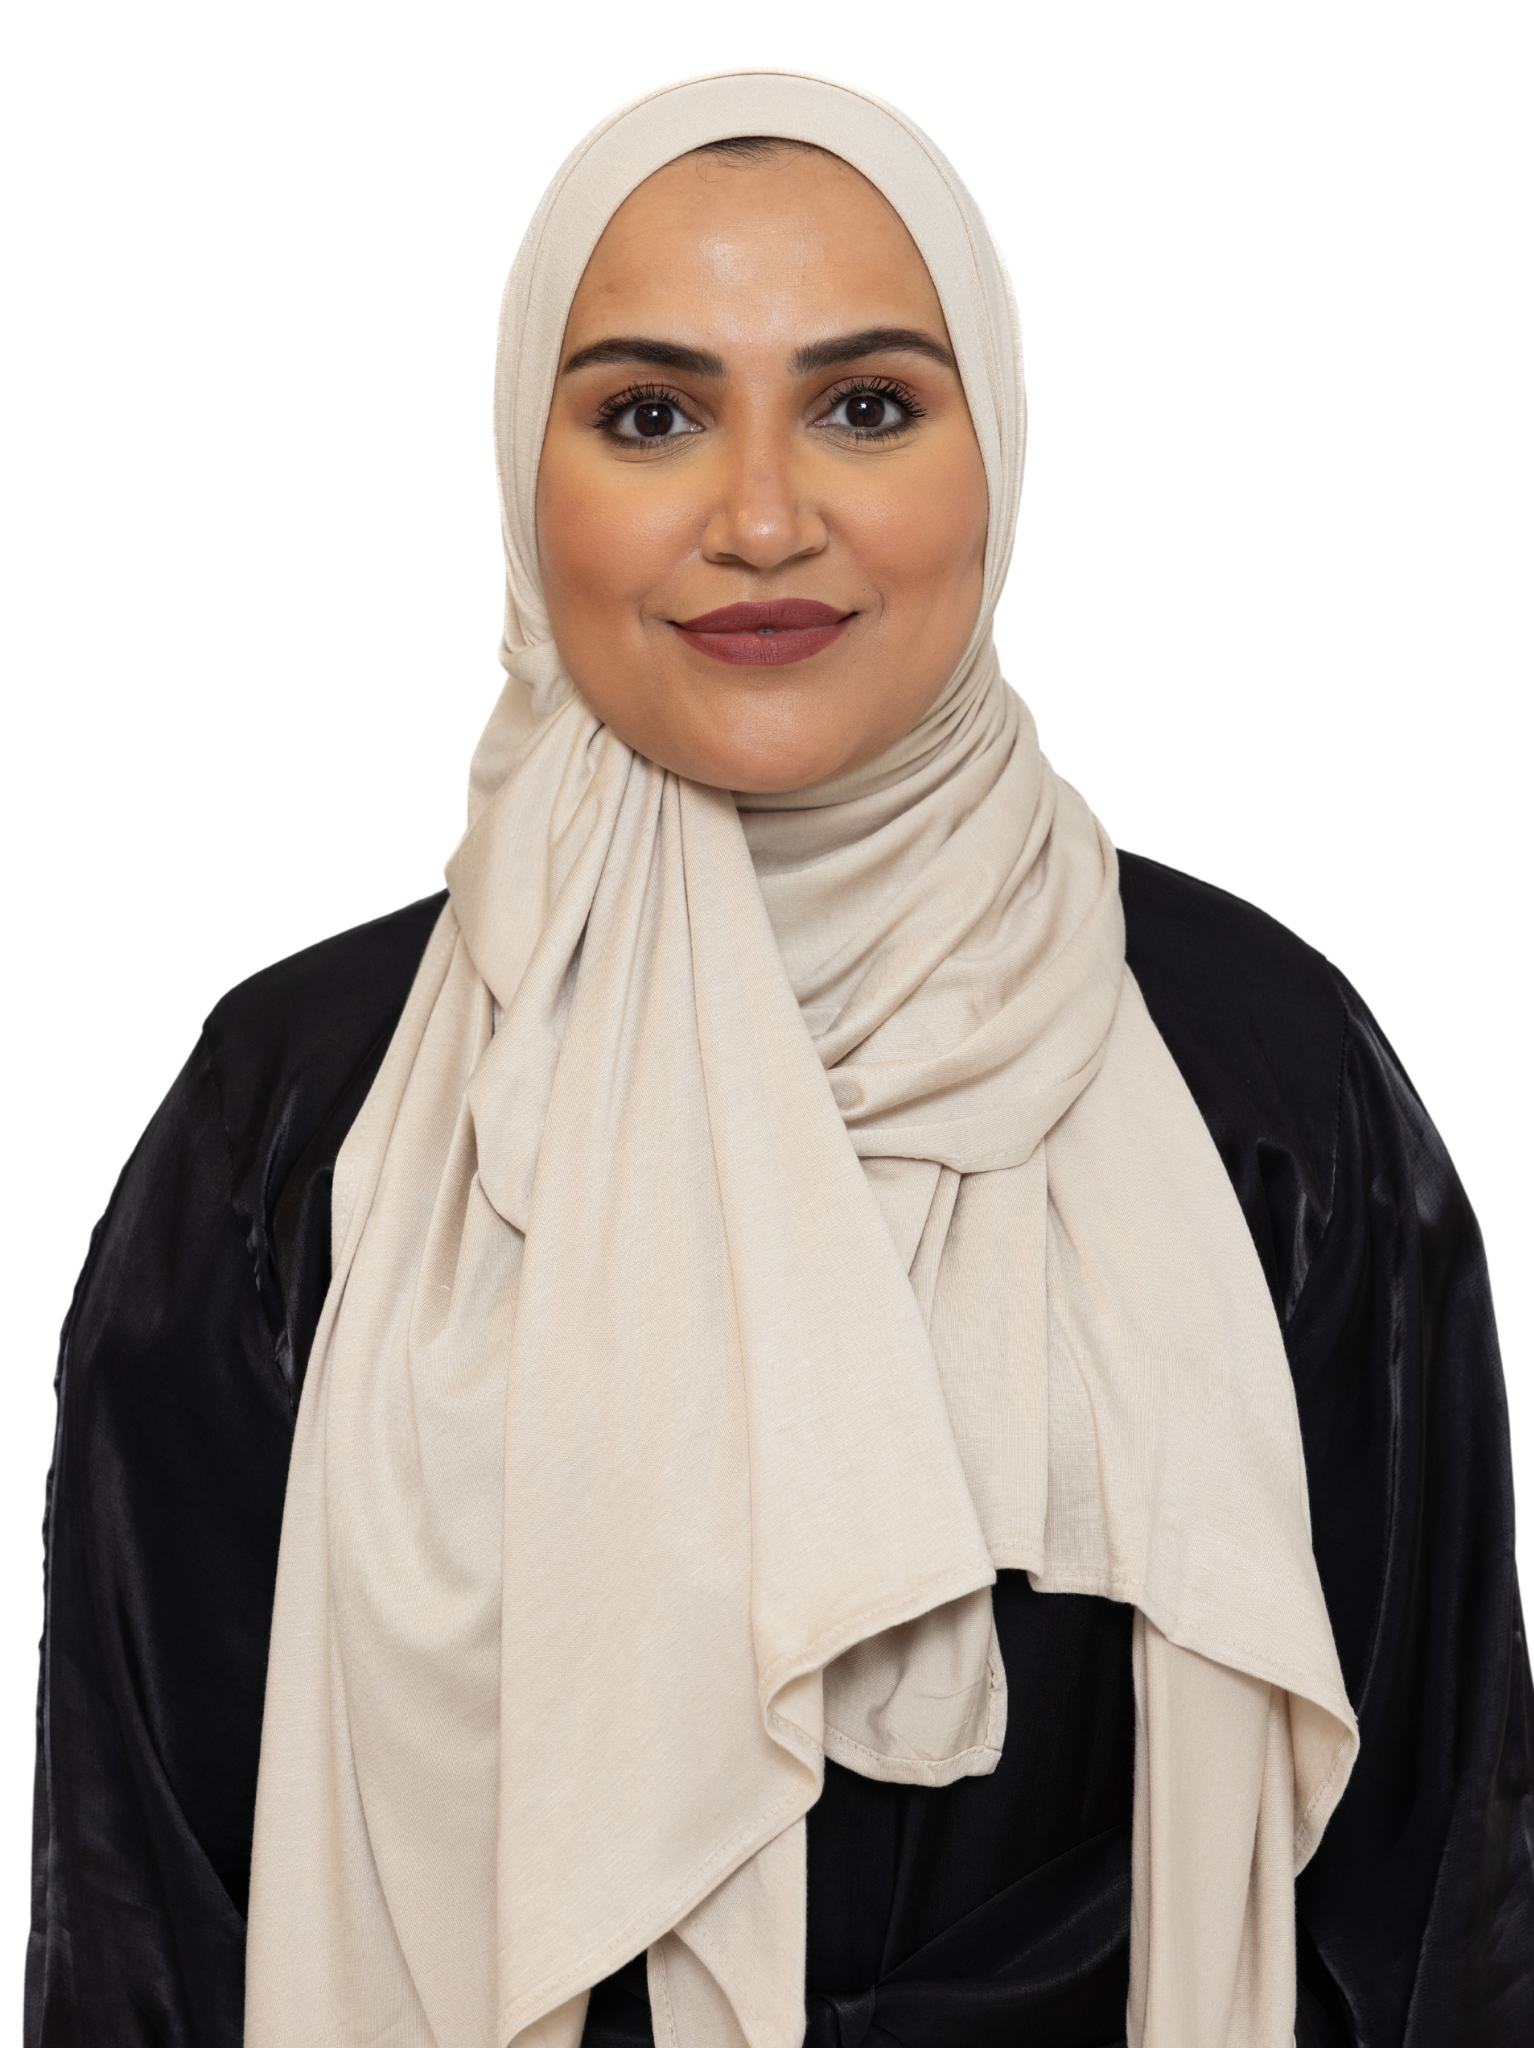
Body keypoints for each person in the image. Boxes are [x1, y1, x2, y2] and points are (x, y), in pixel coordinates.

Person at [26, 70, 1533, 2048]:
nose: (759, 519)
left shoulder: (1260, 1081)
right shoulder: (298, 1120)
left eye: (865, 407)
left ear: (993, 455)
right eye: (650, 416)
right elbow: (146, 1915)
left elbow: (1437, 1895)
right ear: (525, 471)